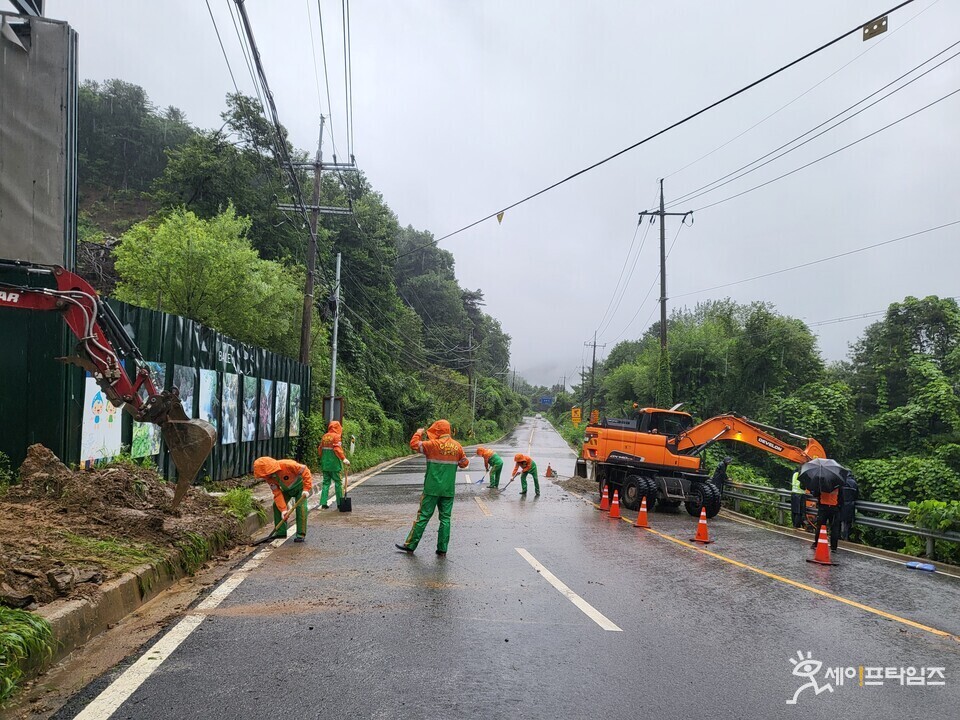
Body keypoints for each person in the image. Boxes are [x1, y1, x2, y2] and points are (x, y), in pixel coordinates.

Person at [396, 420, 468, 555]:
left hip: (431, 488)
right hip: (448, 490)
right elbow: (464, 463)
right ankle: (442, 549)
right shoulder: (457, 447)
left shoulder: (432, 445)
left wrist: (418, 433)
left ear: (438, 431)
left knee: (423, 516)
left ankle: (410, 545)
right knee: (445, 519)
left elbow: (414, 445)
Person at [254, 456, 313, 542]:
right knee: (276, 506)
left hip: (301, 489)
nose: (265, 477)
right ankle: (280, 532)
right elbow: (277, 493)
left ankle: (301, 534)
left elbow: (305, 470)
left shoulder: (287, 465)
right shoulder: (269, 478)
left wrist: (306, 488)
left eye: (265, 474)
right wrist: (283, 510)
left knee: (301, 508)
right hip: (286, 490)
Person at [317, 420, 350, 509]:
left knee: (326, 483)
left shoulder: (325, 436)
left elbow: (320, 450)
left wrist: (323, 458)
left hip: (325, 464)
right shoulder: (336, 437)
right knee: (338, 483)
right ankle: (340, 503)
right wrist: (344, 459)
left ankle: (323, 503)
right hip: (334, 465)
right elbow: (337, 449)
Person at [812, 481, 841, 552]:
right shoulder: (838, 484)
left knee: (820, 526)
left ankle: (816, 544)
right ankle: (834, 547)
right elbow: (841, 497)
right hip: (834, 508)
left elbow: (815, 494)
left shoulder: (821, 483)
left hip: (823, 507)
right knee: (834, 528)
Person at [839, 472, 859, 540]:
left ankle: (839, 536)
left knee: (840, 520)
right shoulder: (854, 483)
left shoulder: (841, 481)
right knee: (848, 522)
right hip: (850, 505)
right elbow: (856, 495)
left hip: (841, 504)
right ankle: (846, 537)